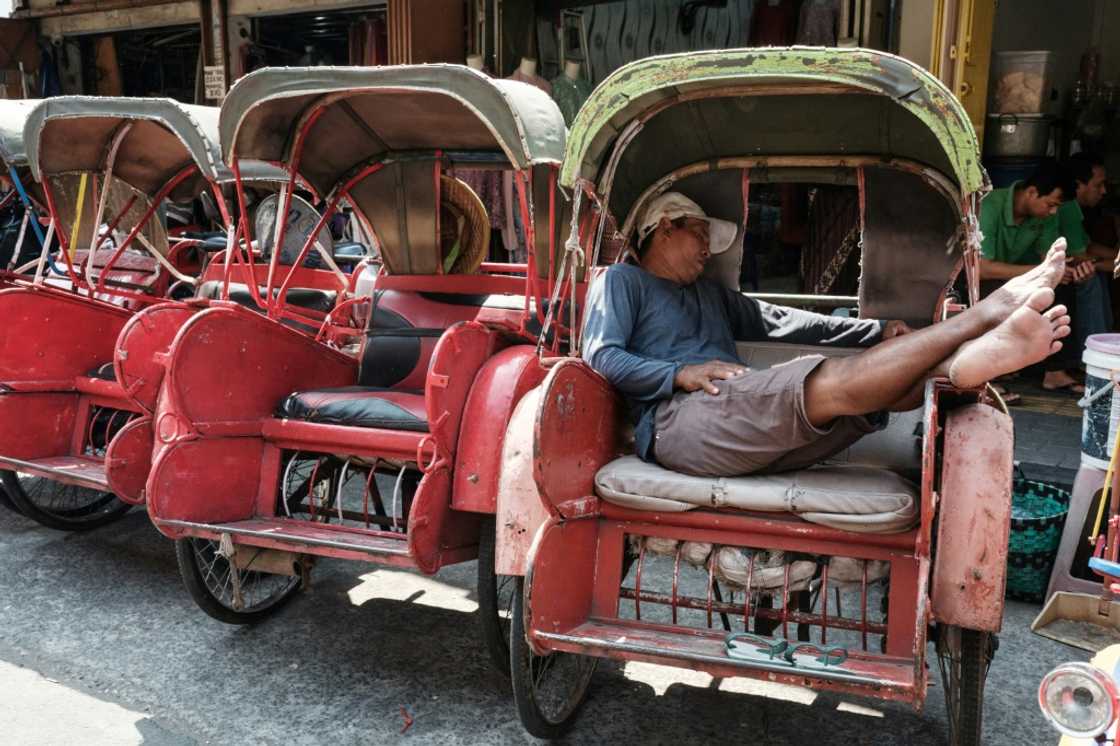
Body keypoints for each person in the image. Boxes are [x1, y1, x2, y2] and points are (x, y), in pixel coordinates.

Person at [583, 192, 1070, 478]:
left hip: (736, 417)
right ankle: (986, 315)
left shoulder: (710, 295)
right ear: (665, 228)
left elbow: (785, 321)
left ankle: (954, 366)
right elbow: (602, 357)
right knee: (826, 382)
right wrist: (679, 374)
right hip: (681, 423)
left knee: (868, 399)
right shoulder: (622, 280)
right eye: (701, 234)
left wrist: (874, 329)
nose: (708, 249)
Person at [978, 162, 1092, 394]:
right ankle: (985, 375)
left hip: (1012, 276)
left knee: (1060, 287)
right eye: (1050, 204)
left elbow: (1048, 259)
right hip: (980, 278)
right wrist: (1040, 272)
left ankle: (1054, 372)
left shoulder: (1045, 216)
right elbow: (981, 269)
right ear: (1031, 192)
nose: (1053, 212)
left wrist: (1064, 272)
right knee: (987, 291)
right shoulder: (990, 205)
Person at [1060, 153, 1114, 346]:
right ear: (1079, 185)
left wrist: (1115, 256)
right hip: (1055, 271)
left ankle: (1105, 341)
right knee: (1091, 278)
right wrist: (1109, 263)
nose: (1104, 191)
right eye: (1098, 185)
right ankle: (1095, 350)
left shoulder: (1074, 208)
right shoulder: (1067, 207)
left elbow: (1087, 246)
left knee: (1096, 273)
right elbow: (1079, 258)